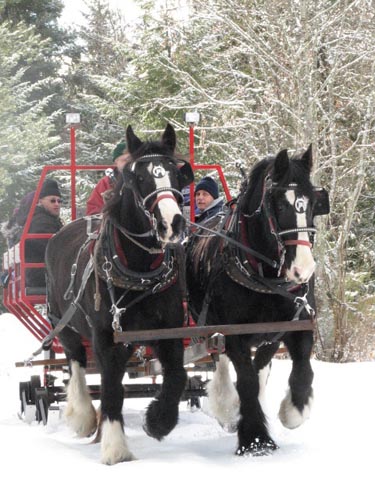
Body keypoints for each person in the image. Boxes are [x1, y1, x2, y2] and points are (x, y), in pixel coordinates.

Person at [25, 179, 64, 287]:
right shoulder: (41, 221)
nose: (57, 204)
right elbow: (51, 246)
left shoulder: (48, 219)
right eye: (52, 201)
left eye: (59, 201)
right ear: (40, 201)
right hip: (42, 272)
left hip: (45, 269)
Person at [85, 140, 130, 215]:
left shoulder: (142, 180)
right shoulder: (106, 182)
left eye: (132, 160)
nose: (129, 163)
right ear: (116, 162)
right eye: (125, 160)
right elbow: (93, 210)